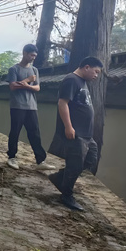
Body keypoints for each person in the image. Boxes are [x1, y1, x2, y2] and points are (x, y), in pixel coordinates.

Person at [47, 56, 103, 211]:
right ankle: (67, 195)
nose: (96, 75)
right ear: (87, 67)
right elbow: (62, 103)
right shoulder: (71, 80)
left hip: (86, 135)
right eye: (95, 71)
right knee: (75, 164)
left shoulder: (82, 82)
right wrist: (68, 127)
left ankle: (59, 177)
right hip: (76, 133)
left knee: (91, 159)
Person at [6, 44, 56, 171]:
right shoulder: (14, 69)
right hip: (17, 105)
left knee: (34, 133)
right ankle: (12, 157)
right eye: (31, 55)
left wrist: (27, 85)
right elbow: (12, 86)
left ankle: (40, 160)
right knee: (15, 132)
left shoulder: (35, 70)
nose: (33, 58)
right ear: (24, 53)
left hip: (32, 106)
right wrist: (28, 80)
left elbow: (37, 87)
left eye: (35, 56)